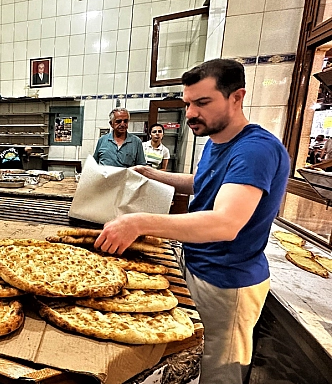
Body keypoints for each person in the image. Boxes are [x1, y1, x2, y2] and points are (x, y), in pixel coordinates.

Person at [93, 59, 289, 384]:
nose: (190, 114)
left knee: (219, 373)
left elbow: (226, 223)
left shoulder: (255, 150)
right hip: (200, 266)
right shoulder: (217, 141)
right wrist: (154, 175)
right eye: (187, 103)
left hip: (228, 282)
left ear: (236, 97)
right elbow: (203, 182)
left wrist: (139, 223)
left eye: (202, 103)